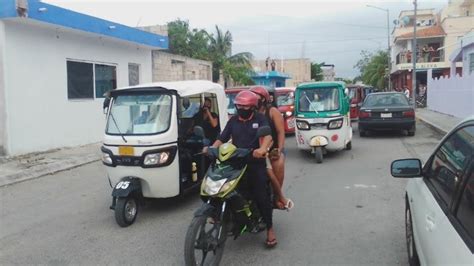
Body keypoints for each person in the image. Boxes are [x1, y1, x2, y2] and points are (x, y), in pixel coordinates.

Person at [208, 90, 278, 248]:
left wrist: (262, 149)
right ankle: (225, 215)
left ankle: (270, 228)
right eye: (239, 106)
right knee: (221, 187)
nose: (241, 109)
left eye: (245, 107)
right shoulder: (233, 121)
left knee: (261, 195)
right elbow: (222, 137)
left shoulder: (260, 119)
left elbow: (268, 137)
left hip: (254, 161)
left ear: (253, 107)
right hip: (236, 161)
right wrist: (212, 148)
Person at [250, 86, 293, 212]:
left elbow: (280, 132)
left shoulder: (272, 111)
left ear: (263, 99)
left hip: (273, 148)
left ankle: (277, 197)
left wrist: (279, 149)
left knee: (278, 164)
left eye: (255, 97)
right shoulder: (249, 113)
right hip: (255, 149)